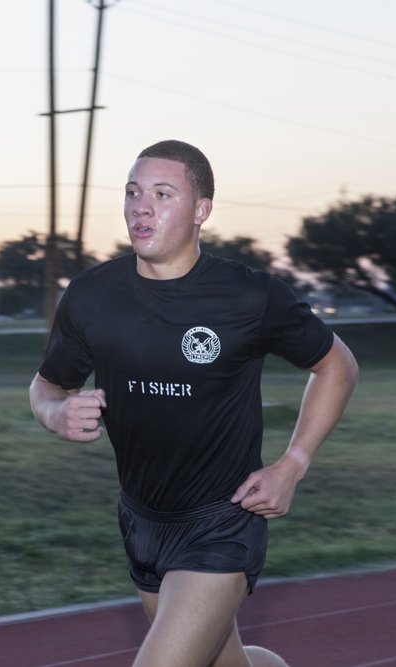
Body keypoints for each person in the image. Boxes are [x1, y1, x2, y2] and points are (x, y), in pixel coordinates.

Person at [30, 139, 359, 667]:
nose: (141, 206)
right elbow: (45, 385)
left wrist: (293, 465)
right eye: (133, 192)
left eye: (163, 194)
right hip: (142, 519)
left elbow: (337, 366)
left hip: (222, 520)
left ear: (201, 210)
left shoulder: (250, 297)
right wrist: (55, 412)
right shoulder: (92, 296)